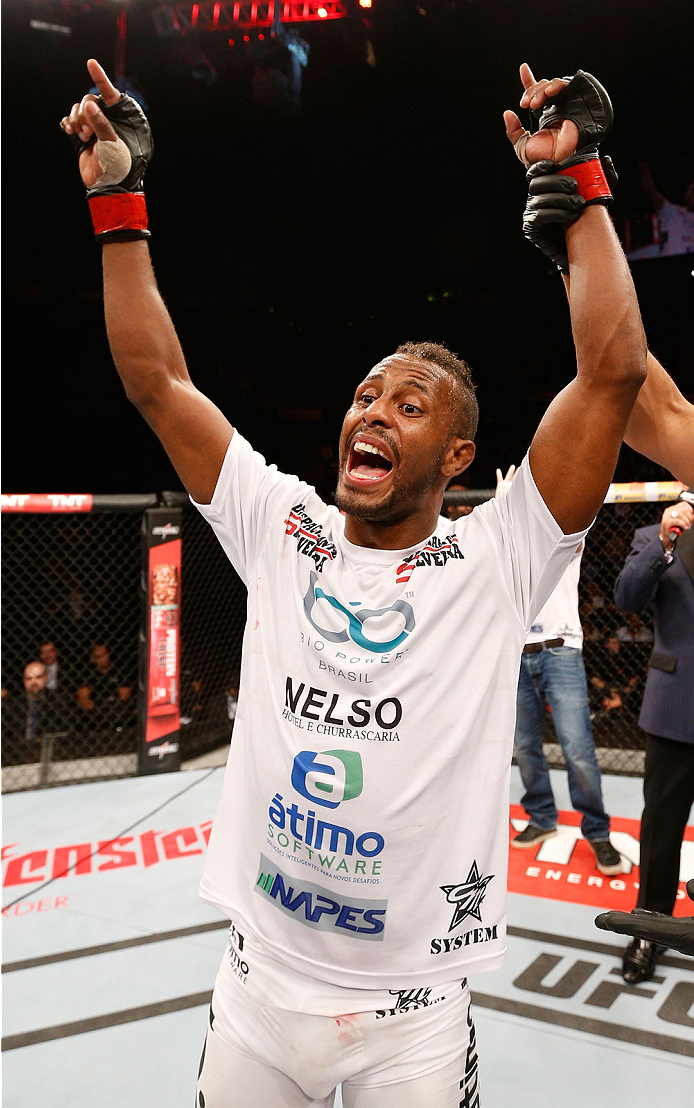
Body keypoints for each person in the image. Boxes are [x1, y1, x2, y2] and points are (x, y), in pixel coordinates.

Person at [60, 57, 669, 1105]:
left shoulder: (497, 556)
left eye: (410, 405)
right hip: (254, 990)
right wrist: (118, 201)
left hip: (414, 1021)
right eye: (365, 394)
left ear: (456, 459)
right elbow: (157, 381)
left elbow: (611, 373)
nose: (374, 411)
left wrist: (585, 187)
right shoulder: (281, 523)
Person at [496, 470, 622, 875]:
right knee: (524, 744)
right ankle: (542, 817)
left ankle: (598, 832)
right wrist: (502, 506)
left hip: (560, 649)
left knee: (577, 747)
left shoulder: (564, 537)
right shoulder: (509, 548)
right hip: (518, 652)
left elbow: (579, 504)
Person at [613, 497, 694, 985]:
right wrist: (664, 541)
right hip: (676, 709)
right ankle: (651, 931)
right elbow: (627, 597)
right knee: (661, 831)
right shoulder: (657, 535)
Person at [0, 661, 66, 765]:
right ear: (24, 682)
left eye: (38, 677)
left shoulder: (58, 702)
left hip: (51, 754)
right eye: (29, 679)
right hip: (16, 755)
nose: (33, 682)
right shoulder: (13, 705)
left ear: (46, 678)